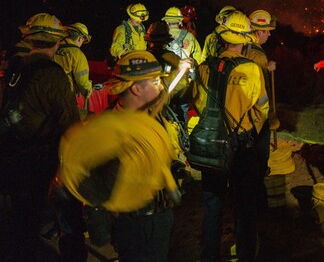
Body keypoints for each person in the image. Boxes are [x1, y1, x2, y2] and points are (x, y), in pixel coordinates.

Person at [0, 13, 81, 261]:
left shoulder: (15, 68)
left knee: (18, 216)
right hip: (40, 159)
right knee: (38, 215)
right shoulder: (53, 74)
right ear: (57, 43)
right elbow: (70, 123)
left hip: (12, 153)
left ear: (30, 39)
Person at [192, 10, 268, 262]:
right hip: (241, 146)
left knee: (212, 206)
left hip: (211, 144)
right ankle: (246, 255)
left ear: (223, 37)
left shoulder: (204, 68)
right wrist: (247, 129)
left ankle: (209, 256)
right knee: (244, 207)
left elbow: (199, 103)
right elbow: (262, 109)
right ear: (245, 39)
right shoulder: (252, 70)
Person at [97, 50, 185, 261]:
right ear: (136, 88)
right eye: (155, 82)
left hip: (160, 214)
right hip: (136, 223)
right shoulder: (111, 130)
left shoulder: (151, 113)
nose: (161, 86)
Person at [243, 9, 279, 183]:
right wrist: (269, 115)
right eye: (267, 31)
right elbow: (262, 91)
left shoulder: (242, 47)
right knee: (258, 160)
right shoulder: (258, 55)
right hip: (256, 117)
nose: (270, 34)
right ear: (258, 32)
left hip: (239, 114)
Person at [54, 22, 93, 103]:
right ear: (80, 38)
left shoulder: (53, 48)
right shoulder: (77, 54)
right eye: (83, 40)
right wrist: (88, 91)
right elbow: (82, 83)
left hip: (45, 94)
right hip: (64, 97)